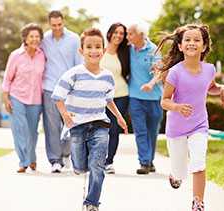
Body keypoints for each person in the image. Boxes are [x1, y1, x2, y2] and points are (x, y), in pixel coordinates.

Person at [51, 28, 128, 211]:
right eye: (89, 47)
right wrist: (66, 116)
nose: (94, 50)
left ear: (103, 49)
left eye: (98, 46)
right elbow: (57, 97)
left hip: (100, 125)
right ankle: (78, 165)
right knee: (79, 166)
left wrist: (119, 117)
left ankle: (92, 202)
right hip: (77, 125)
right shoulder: (73, 74)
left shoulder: (107, 76)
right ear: (81, 51)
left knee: (98, 165)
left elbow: (108, 100)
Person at [158, 23, 224, 211]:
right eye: (187, 40)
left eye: (197, 40)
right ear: (180, 46)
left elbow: (210, 87)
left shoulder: (209, 69)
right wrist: (177, 106)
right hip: (177, 129)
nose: (192, 43)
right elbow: (164, 101)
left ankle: (198, 202)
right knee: (180, 171)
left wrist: (221, 88)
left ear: (204, 46)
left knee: (198, 162)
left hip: (199, 125)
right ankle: (175, 175)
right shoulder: (175, 72)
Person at [41, 10, 82, 173]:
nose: (57, 28)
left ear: (63, 22)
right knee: (51, 127)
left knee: (70, 124)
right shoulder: (44, 39)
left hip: (68, 89)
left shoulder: (74, 39)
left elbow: (78, 64)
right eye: (53, 25)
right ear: (49, 24)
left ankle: (66, 153)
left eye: (59, 25)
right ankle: (55, 160)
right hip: (49, 88)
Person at [2, 23, 45, 173]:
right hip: (17, 97)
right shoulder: (15, 55)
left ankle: (32, 158)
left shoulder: (42, 55)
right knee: (20, 129)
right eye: (31, 36)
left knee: (32, 132)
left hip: (35, 100)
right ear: (25, 38)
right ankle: (23, 161)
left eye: (37, 36)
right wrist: (6, 98)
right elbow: (7, 78)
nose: (34, 39)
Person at [127, 23, 163, 174]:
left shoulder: (153, 50)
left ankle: (150, 160)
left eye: (131, 34)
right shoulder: (128, 50)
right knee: (140, 131)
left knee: (152, 132)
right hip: (135, 97)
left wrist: (151, 83)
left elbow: (159, 71)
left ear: (141, 35)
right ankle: (144, 162)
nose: (128, 37)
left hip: (154, 98)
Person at [100, 23, 130, 174]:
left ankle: (109, 161)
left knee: (113, 129)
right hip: (100, 97)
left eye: (122, 33)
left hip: (121, 95)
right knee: (99, 128)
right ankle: (96, 159)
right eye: (116, 32)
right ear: (110, 33)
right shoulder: (101, 51)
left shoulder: (125, 53)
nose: (118, 36)